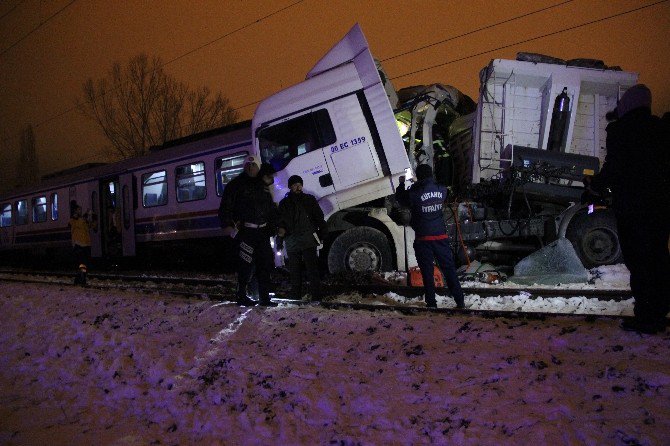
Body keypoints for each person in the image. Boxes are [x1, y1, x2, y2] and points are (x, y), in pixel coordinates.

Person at [585, 84, 670, 334]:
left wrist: (594, 184)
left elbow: (615, 169)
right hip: (661, 209)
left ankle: (646, 317)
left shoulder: (621, 131)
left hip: (633, 209)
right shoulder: (660, 129)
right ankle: (660, 310)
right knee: (658, 257)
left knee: (640, 263)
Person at [395, 163, 465, 309]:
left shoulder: (414, 193)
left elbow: (402, 199)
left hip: (423, 239)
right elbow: (441, 192)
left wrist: (402, 184)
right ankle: (460, 301)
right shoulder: (442, 189)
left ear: (418, 177)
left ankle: (431, 304)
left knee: (427, 272)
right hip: (440, 237)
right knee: (449, 270)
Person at [219, 156, 279, 307]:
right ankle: (241, 296)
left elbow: (270, 209)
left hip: (263, 232)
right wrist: (229, 225)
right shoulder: (235, 185)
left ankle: (264, 298)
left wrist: (273, 227)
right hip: (246, 232)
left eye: (254, 164)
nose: (251, 167)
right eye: (248, 164)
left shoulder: (263, 186)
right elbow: (226, 206)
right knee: (245, 265)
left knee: (265, 265)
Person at [277, 175, 327, 301]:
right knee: (295, 271)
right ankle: (297, 295)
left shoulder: (309, 200)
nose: (298, 186)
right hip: (294, 241)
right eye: (295, 184)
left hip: (306, 240)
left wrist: (323, 232)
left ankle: (315, 295)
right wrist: (279, 240)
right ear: (290, 187)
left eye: (299, 184)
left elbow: (319, 217)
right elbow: (281, 223)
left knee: (312, 270)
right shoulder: (284, 204)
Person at [68, 200, 97, 286]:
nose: (80, 211)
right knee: (82, 263)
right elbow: (79, 222)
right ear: (75, 211)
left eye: (81, 210)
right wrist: (86, 215)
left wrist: (93, 217)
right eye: (79, 210)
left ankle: (78, 279)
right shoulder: (73, 220)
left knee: (83, 264)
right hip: (79, 244)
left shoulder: (81, 220)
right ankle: (82, 279)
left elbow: (90, 225)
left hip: (86, 244)